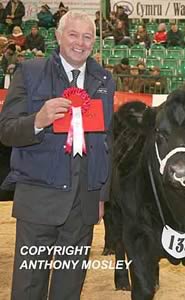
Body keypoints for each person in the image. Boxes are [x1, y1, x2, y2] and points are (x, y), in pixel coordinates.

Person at [0, 11, 114, 299]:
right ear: (59, 37)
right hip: (39, 199)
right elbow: (7, 130)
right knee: (29, 287)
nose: (80, 43)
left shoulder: (104, 79)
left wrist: (100, 194)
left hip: (83, 205)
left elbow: (106, 141)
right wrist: (38, 120)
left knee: (69, 289)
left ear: (94, 42)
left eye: (87, 37)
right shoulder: (30, 70)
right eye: (73, 35)